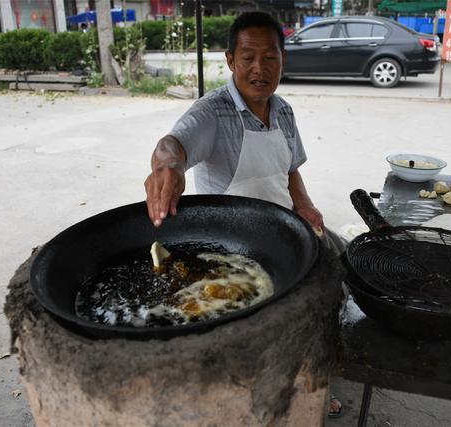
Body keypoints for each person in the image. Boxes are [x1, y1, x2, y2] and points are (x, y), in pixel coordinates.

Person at [143, 11, 343, 417]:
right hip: (236, 246)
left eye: (270, 57)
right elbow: (172, 144)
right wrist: (167, 165)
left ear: (283, 60)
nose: (259, 69)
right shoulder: (212, 113)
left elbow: (291, 170)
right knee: (261, 321)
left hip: (285, 228)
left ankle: (310, 379)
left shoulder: (283, 111)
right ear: (230, 59)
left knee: (335, 273)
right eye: (248, 57)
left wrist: (304, 205)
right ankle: (257, 393)